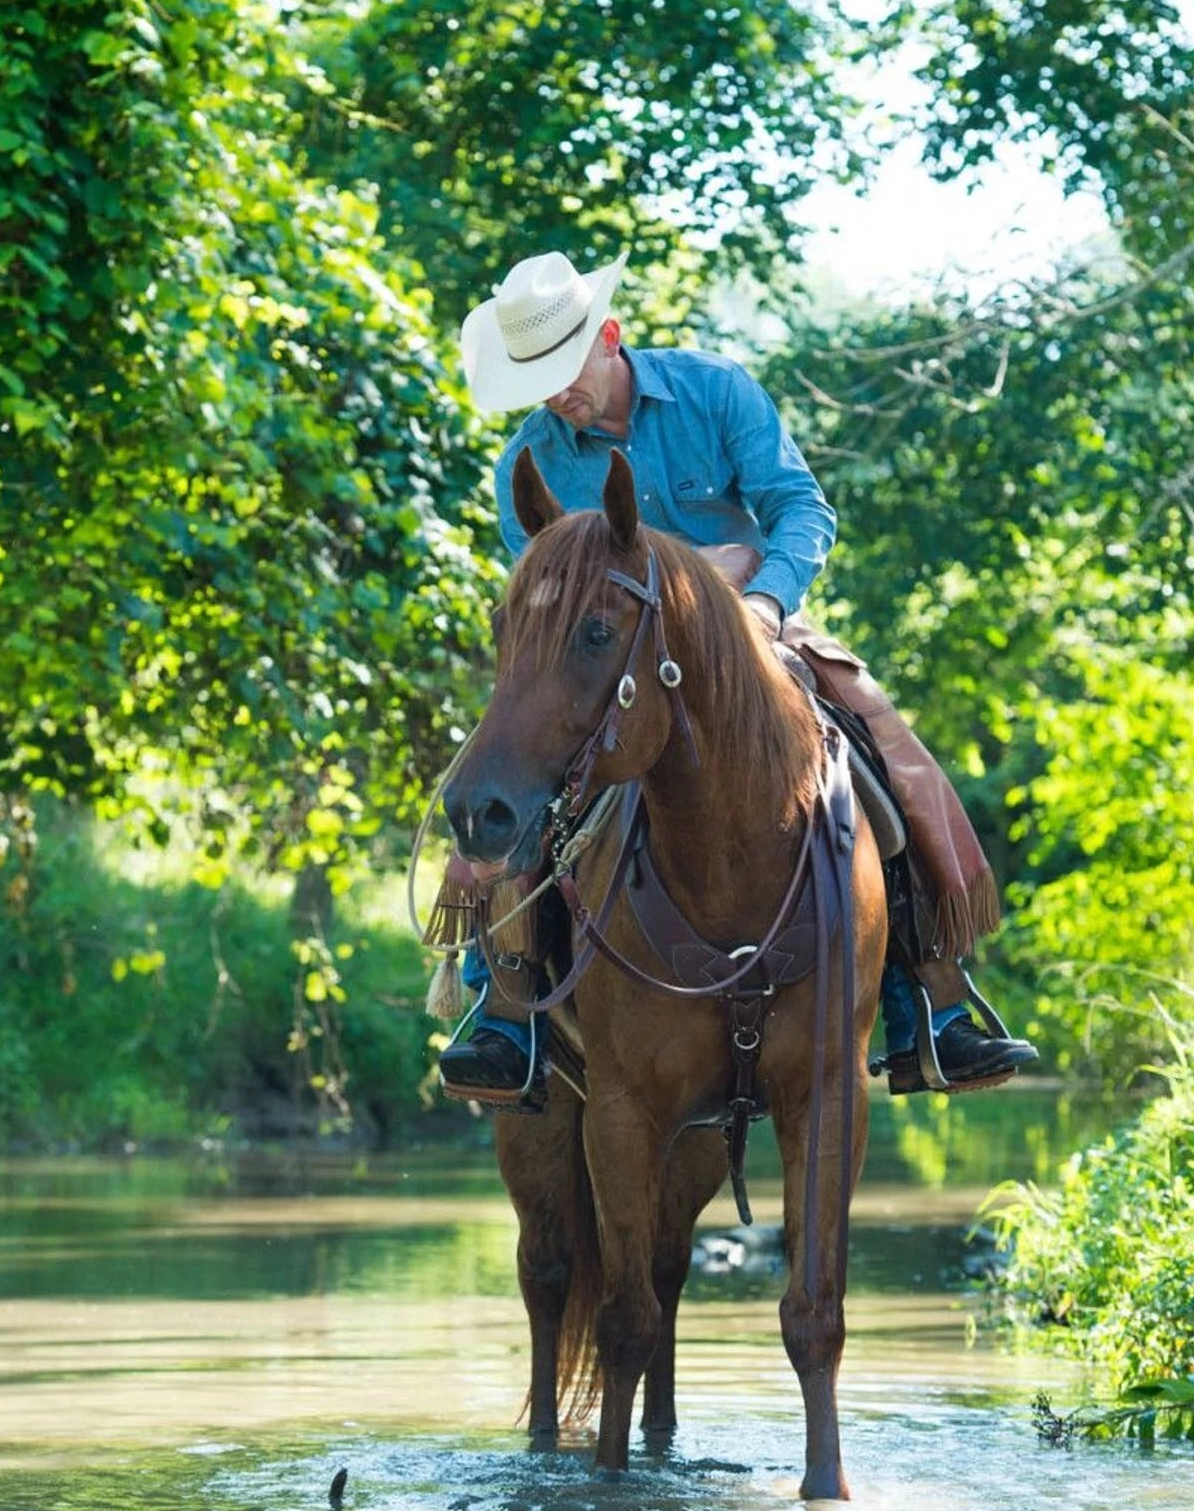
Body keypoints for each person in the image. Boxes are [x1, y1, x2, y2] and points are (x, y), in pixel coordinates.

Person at [438, 247, 1037, 1104]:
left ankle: (926, 998)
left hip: (754, 639)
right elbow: (548, 603)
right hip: (606, 669)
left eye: (566, 368)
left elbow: (801, 507)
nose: (557, 391)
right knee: (510, 776)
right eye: (536, 377)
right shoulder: (526, 467)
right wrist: (702, 567)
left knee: (882, 747)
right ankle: (505, 1010)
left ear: (609, 336)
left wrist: (758, 600)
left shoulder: (714, 391)